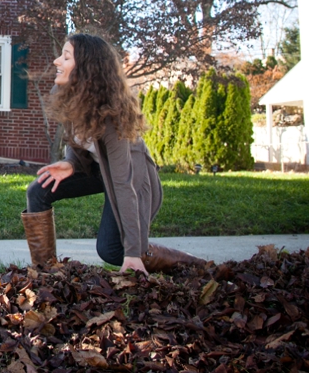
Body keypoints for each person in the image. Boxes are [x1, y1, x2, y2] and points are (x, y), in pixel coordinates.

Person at [22, 33, 205, 274]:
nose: (57, 61)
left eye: (66, 57)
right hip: (98, 171)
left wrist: (132, 252)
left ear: (86, 68)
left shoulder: (112, 120)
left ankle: (189, 264)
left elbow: (123, 184)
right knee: (38, 190)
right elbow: (78, 143)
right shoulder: (65, 94)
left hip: (133, 179)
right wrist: (71, 163)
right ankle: (45, 270)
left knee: (113, 251)